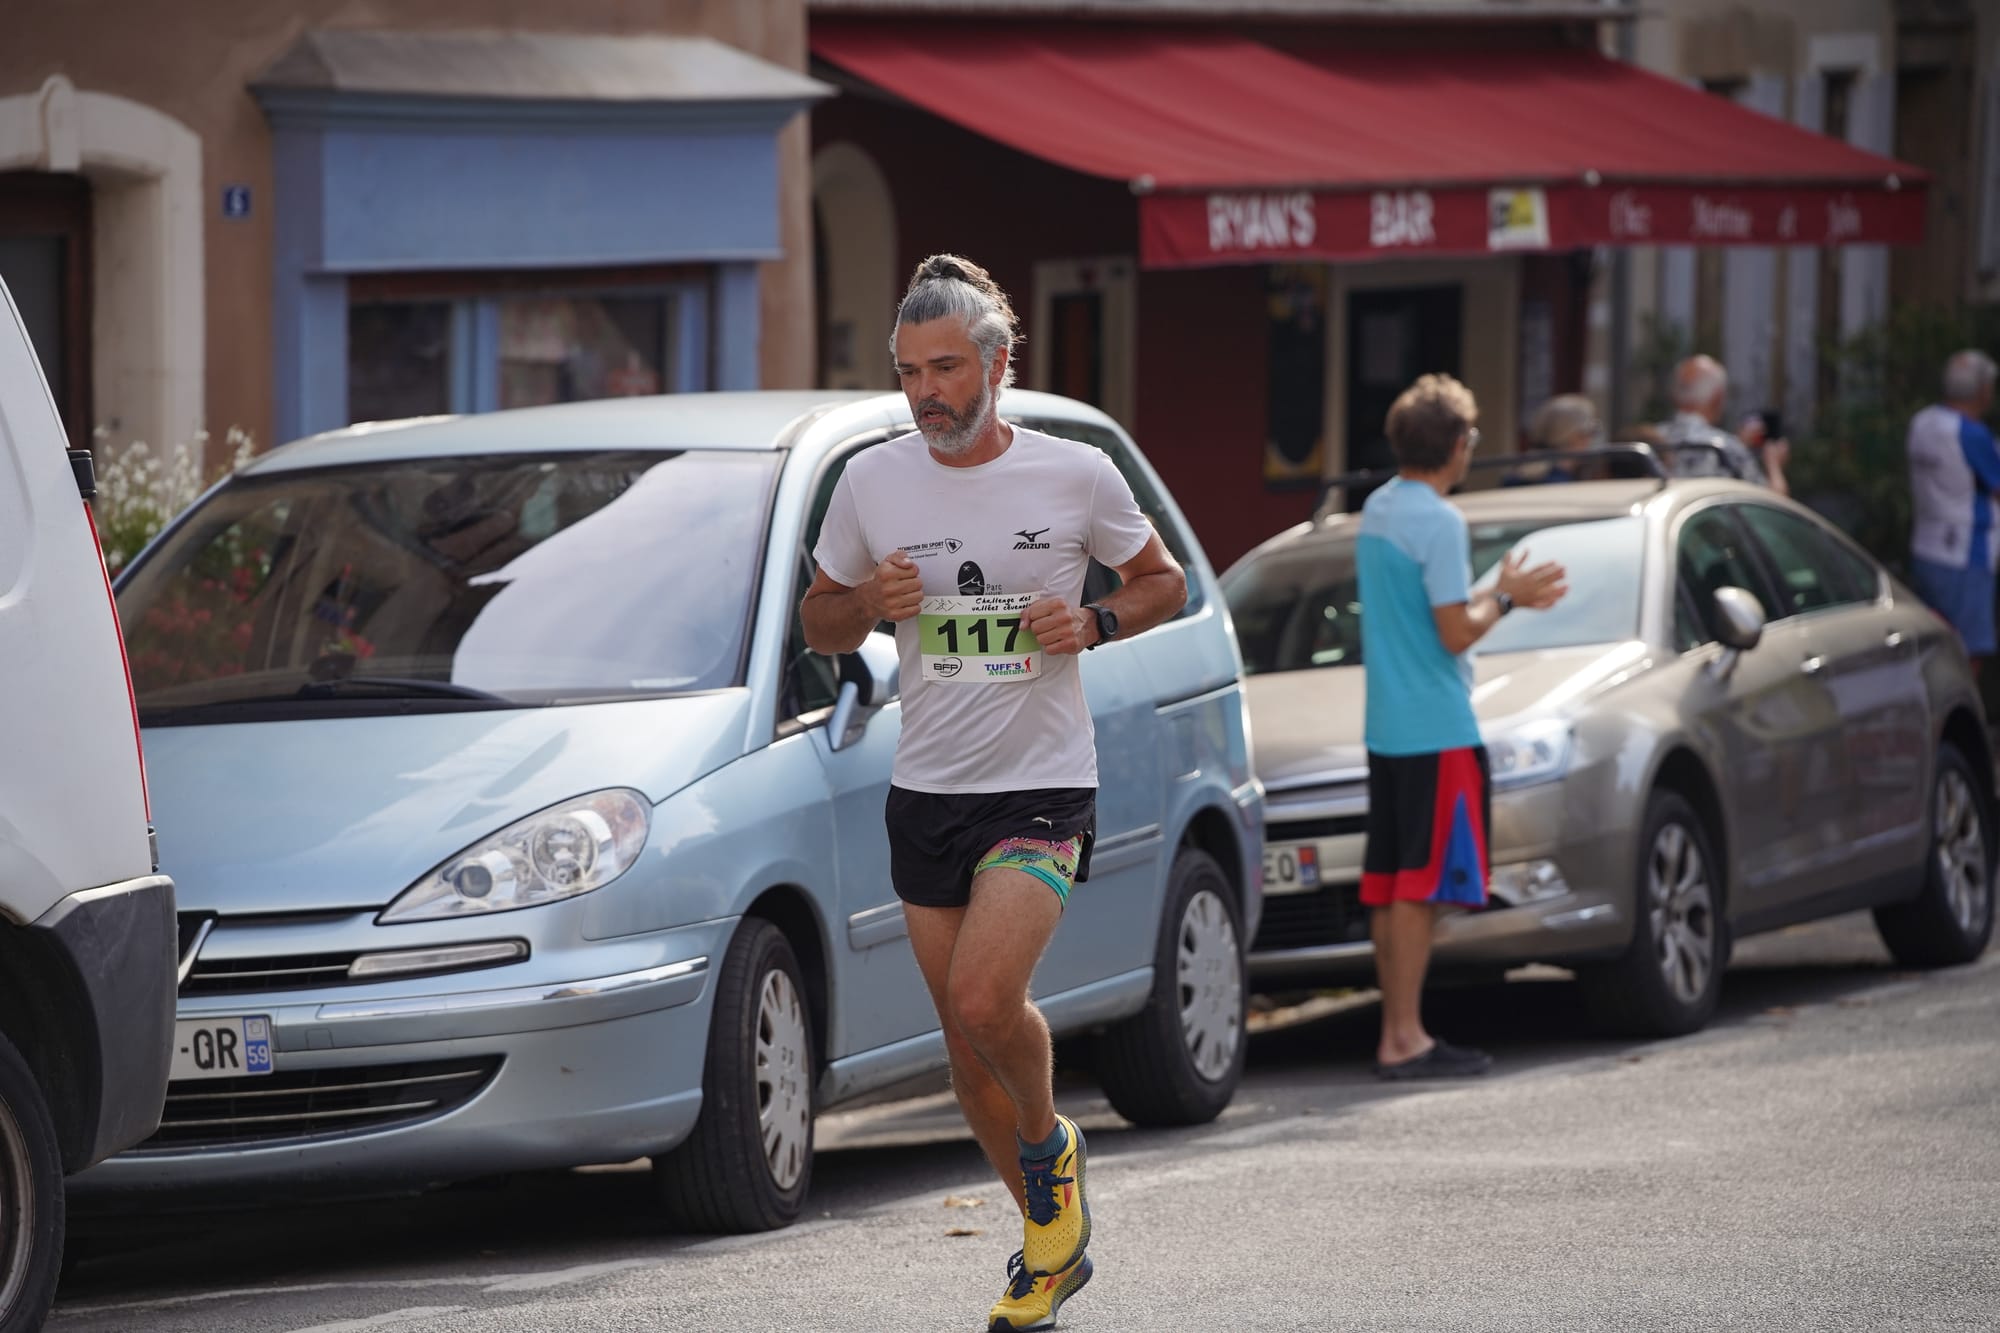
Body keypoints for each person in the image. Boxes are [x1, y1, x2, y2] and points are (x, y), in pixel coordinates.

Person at [801, 254, 1187, 1332]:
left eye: (944, 368)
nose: (925, 392)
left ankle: (1050, 1144)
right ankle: (1045, 1247)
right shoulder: (871, 482)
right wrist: (867, 604)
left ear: (996, 364)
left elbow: (1165, 581)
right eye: (906, 372)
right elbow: (816, 620)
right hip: (927, 791)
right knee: (962, 1042)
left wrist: (1097, 621)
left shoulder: (1075, 475)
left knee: (984, 998)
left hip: (1042, 786)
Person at [1357, 374, 1567, 1079]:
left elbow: (1430, 615)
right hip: (1436, 725)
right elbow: (1453, 632)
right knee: (1418, 886)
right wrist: (1507, 596)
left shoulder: (1380, 508)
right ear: (1456, 445)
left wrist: (1494, 593)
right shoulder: (1440, 520)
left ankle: (1397, 1030)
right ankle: (1406, 1037)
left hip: (1388, 724)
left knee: (1391, 882)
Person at [1907, 349, 2000, 674]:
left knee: (1933, 645)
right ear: (1983, 391)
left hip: (1926, 545)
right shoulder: (1971, 435)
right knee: (1965, 653)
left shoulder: (1923, 422)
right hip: (1965, 552)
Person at [1660, 355, 1790, 495]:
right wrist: (1773, 465)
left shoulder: (1652, 440)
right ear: (1718, 398)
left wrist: (1739, 444)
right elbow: (1770, 505)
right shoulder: (1726, 450)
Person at [1505, 393, 1602, 485]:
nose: (1591, 439)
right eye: (1592, 431)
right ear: (1575, 436)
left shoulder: (1516, 475)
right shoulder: (1558, 483)